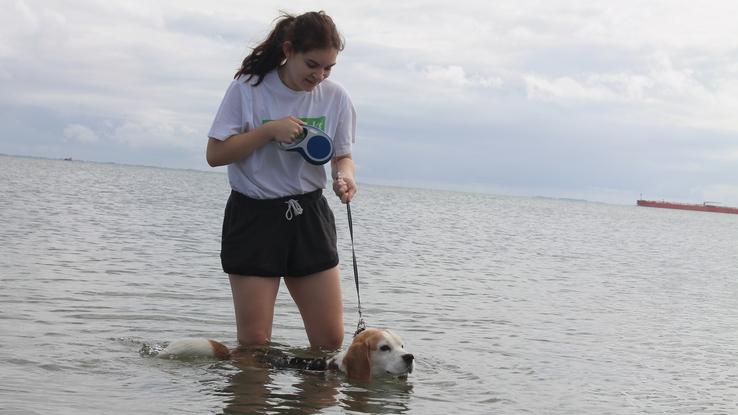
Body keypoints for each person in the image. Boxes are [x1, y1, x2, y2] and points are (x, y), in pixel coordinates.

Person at [205, 11, 357, 350]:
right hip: (254, 215)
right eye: (312, 64)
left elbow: (342, 156)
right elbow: (215, 155)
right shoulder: (247, 88)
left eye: (329, 67)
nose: (320, 75)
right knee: (255, 344)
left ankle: (308, 403)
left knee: (330, 342)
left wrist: (344, 177)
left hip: (309, 215)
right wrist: (268, 131)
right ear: (288, 50)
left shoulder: (336, 97)